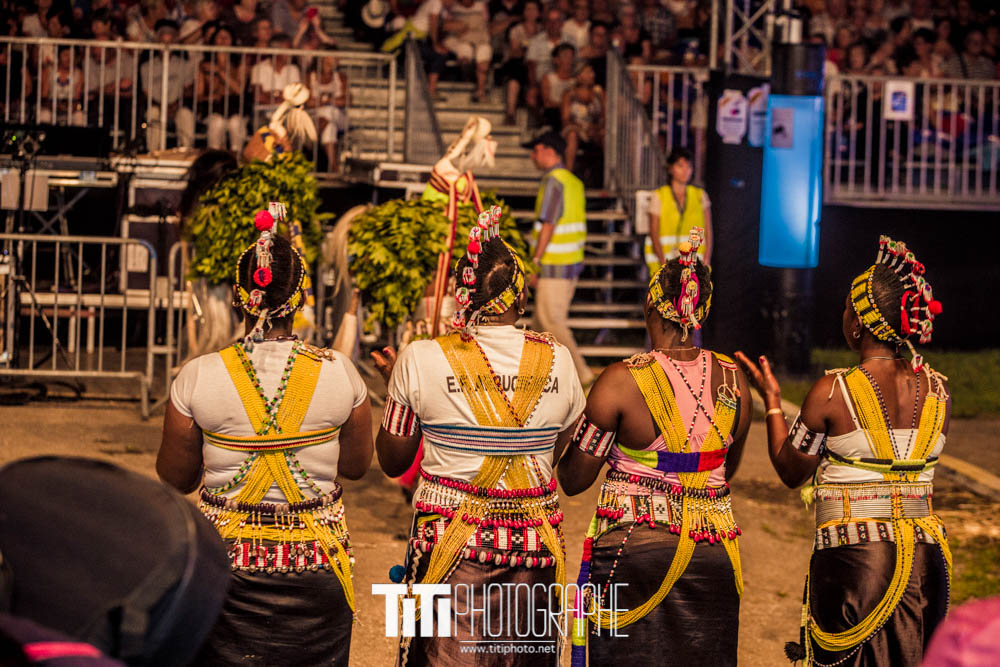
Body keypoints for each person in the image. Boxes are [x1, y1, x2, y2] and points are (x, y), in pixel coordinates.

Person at [157, 206, 373, 664]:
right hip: (317, 571)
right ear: (300, 300)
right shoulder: (341, 374)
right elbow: (354, 468)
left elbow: (177, 478)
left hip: (226, 574)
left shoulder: (197, 376)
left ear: (239, 300)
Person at [372, 208, 585, 665]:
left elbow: (392, 462)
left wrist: (401, 389)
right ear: (520, 297)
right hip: (534, 555)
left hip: (450, 550)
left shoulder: (420, 358)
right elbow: (564, 453)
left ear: (461, 296)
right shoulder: (560, 361)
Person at [735, 236, 950, 667]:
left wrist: (772, 402)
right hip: (928, 563)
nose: (844, 316)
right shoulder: (939, 390)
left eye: (848, 309)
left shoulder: (833, 392)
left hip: (859, 563)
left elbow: (791, 469)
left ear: (859, 326)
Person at [559, 228, 752, 666]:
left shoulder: (619, 383)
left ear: (651, 305)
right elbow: (725, 470)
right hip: (714, 551)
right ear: (699, 312)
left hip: (634, 547)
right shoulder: (734, 379)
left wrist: (561, 426)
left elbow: (573, 479)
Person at [524, 130, 593, 387]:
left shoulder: (554, 181)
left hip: (554, 265)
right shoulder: (573, 181)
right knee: (540, 325)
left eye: (536, 150)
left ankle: (582, 375)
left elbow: (548, 224)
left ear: (549, 151)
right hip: (570, 263)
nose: (533, 156)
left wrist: (535, 262)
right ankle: (533, 377)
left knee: (551, 322)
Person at [645, 147, 711, 276]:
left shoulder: (699, 195)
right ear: (670, 168)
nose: (685, 171)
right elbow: (654, 232)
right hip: (665, 264)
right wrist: (663, 262)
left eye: (688, 167)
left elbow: (709, 230)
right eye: (680, 166)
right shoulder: (659, 196)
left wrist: (707, 259)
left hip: (694, 264)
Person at [140, 20, 196, 152]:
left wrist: (175, 105)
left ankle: (186, 152)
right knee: (152, 113)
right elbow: (146, 92)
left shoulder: (184, 64)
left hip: (177, 106)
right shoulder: (147, 66)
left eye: (170, 37)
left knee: (186, 114)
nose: (166, 42)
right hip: (157, 106)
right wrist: (162, 107)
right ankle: (152, 152)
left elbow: (187, 89)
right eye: (162, 36)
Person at [199, 24, 249, 152]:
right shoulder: (204, 65)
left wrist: (220, 72)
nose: (223, 40)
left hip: (235, 107)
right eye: (219, 37)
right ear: (214, 41)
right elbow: (199, 94)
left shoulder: (239, 63)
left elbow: (239, 89)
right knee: (217, 123)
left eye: (226, 37)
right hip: (214, 107)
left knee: (235, 123)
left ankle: (235, 160)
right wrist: (212, 95)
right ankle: (214, 159)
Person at [308, 51, 350, 171]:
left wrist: (322, 101)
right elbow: (307, 102)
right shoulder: (310, 76)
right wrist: (332, 100)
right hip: (315, 117)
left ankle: (313, 137)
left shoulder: (341, 77)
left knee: (328, 111)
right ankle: (334, 168)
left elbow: (346, 101)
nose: (331, 62)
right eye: (328, 60)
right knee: (329, 128)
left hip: (339, 117)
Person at [561, 62, 604, 172]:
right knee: (572, 135)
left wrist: (596, 128)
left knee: (606, 136)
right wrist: (581, 128)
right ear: (578, 76)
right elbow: (565, 119)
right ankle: (568, 172)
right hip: (576, 127)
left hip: (595, 128)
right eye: (588, 72)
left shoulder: (599, 92)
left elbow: (605, 115)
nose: (592, 75)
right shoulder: (569, 94)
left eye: (592, 72)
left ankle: (609, 175)